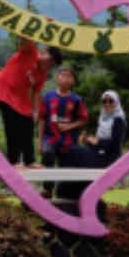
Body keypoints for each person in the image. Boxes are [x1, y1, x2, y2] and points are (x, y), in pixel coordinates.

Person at [0, 38, 61, 168]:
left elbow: (36, 92)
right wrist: (42, 27)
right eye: (49, 61)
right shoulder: (30, 52)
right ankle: (14, 161)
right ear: (43, 52)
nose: (48, 66)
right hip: (5, 90)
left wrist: (35, 111)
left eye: (52, 65)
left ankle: (30, 161)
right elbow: (24, 37)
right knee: (12, 125)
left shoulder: (42, 74)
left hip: (20, 97)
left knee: (28, 123)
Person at [38, 66, 88, 197]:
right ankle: (47, 190)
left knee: (67, 166)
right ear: (57, 78)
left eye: (69, 76)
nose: (66, 78)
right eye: (63, 75)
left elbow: (83, 119)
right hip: (50, 137)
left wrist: (69, 126)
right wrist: (39, 142)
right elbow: (42, 119)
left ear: (73, 81)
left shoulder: (77, 99)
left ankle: (64, 194)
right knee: (48, 155)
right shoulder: (48, 96)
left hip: (69, 139)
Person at [83, 90, 127, 167]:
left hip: (111, 160)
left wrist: (98, 142)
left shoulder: (118, 119)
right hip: (100, 155)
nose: (107, 104)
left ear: (116, 102)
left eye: (111, 101)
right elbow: (98, 140)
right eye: (104, 101)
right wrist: (88, 139)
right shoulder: (102, 118)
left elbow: (115, 144)